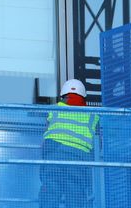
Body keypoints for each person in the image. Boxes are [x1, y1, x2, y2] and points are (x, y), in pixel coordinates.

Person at [39, 79, 98, 208]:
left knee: (50, 192)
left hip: (55, 154)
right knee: (75, 196)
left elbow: (46, 134)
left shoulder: (55, 109)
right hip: (79, 159)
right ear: (83, 97)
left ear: (63, 96)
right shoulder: (93, 115)